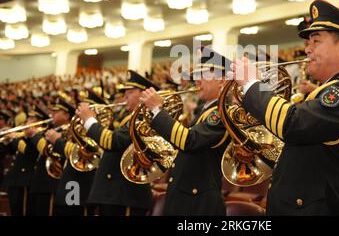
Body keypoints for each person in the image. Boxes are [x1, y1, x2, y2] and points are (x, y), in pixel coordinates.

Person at [230, 0, 339, 215]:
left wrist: (253, 86)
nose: (307, 49)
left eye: (315, 41)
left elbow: (293, 123)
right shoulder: (329, 90)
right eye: (308, 42)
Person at [140, 47, 231, 215]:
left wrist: (158, 111)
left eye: (203, 75)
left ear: (222, 80)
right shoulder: (204, 110)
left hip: (199, 203)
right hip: (185, 198)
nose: (197, 81)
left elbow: (190, 141)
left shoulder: (222, 112)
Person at [76, 70, 153, 216]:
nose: (125, 96)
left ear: (144, 93)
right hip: (116, 195)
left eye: (130, 92)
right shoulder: (133, 117)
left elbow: (112, 141)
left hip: (125, 195)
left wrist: (89, 121)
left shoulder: (144, 117)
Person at [45, 90, 100, 216]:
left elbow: (83, 153)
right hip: (71, 184)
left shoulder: (95, 130)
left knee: (74, 209)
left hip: (79, 186)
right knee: (67, 209)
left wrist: (58, 141)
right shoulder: (79, 129)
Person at [2, 109, 40, 216]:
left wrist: (13, 139)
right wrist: (7, 141)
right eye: (28, 118)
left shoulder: (37, 137)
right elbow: (12, 152)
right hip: (14, 179)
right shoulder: (24, 136)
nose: (27, 121)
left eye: (32, 119)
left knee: (23, 211)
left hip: (25, 180)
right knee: (14, 210)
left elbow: (29, 151)